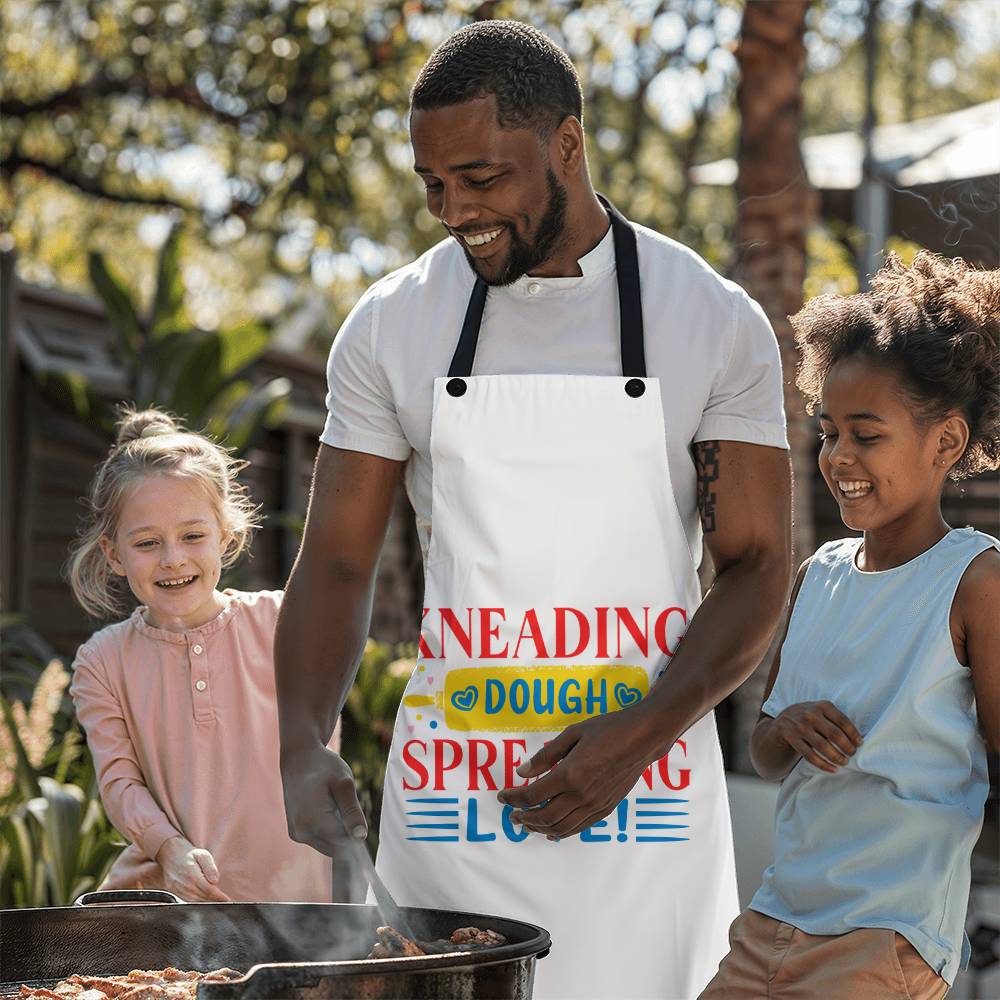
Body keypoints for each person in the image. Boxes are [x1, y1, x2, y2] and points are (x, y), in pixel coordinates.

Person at [276, 20, 791, 999]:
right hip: (452, 810)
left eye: (481, 178)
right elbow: (336, 563)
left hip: (648, 805)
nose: (452, 210)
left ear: (565, 144)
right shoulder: (392, 325)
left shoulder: (709, 318)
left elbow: (759, 562)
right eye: (434, 185)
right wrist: (302, 734)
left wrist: (636, 736)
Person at [698, 252, 1000, 1000]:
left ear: (946, 444)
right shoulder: (817, 575)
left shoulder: (975, 582)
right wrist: (791, 726)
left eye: (866, 434)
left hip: (883, 938)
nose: (838, 458)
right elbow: (768, 757)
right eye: (829, 432)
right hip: (771, 921)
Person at [68, 407, 336, 903]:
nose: (173, 559)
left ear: (226, 535)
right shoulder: (101, 661)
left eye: (193, 536)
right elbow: (120, 783)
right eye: (147, 543)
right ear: (113, 554)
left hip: (296, 914)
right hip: (164, 913)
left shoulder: (285, 623)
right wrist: (169, 852)